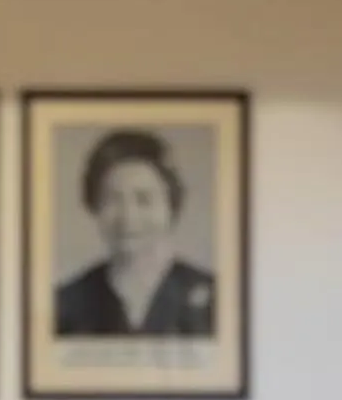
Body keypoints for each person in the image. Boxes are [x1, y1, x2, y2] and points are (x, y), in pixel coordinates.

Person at [52, 131, 219, 337]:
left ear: (171, 206)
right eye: (112, 199)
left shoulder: (215, 298)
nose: (128, 217)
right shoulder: (66, 303)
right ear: (94, 205)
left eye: (144, 200)